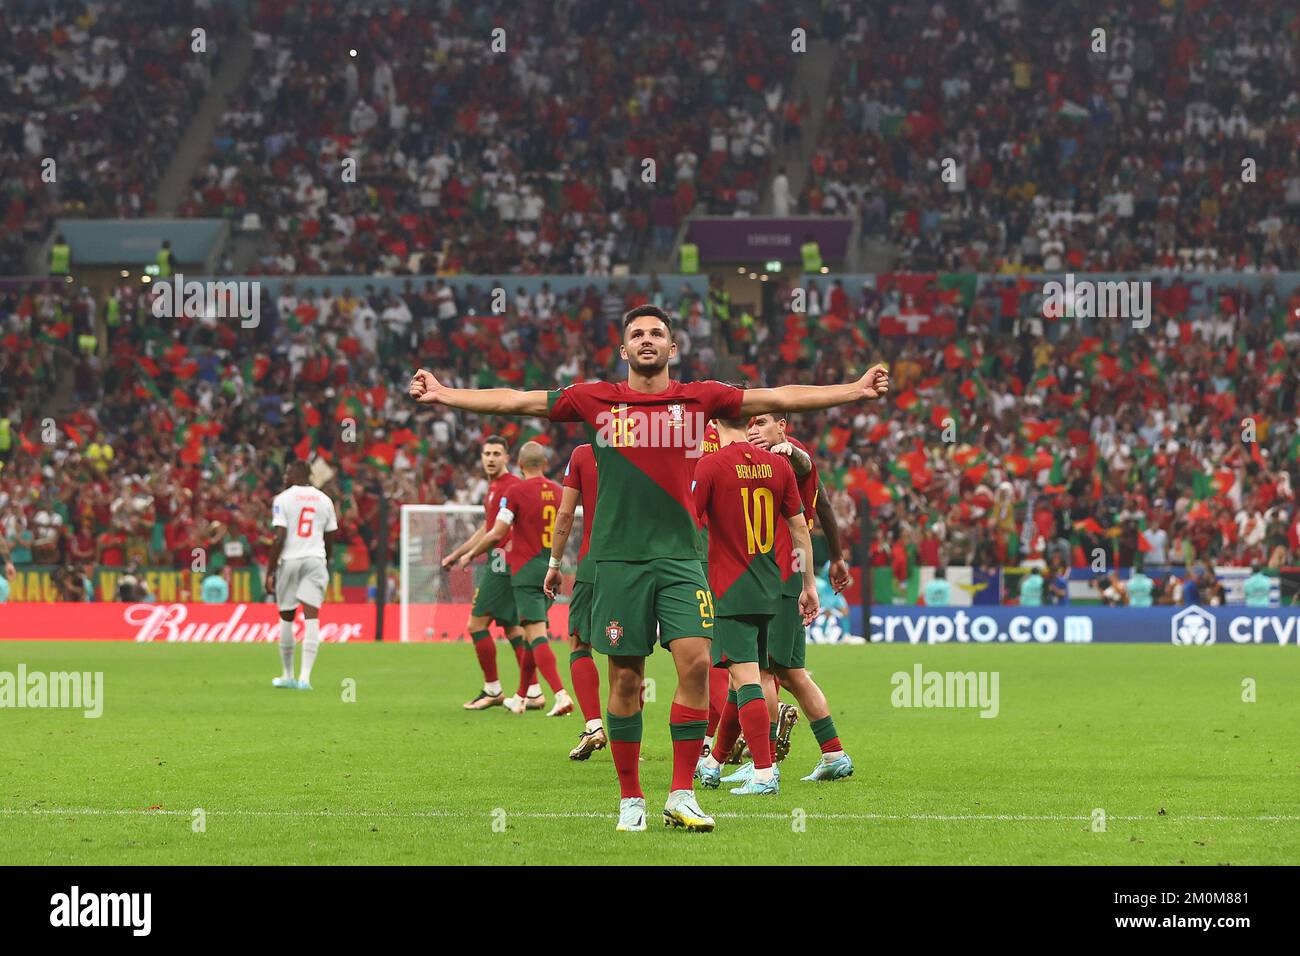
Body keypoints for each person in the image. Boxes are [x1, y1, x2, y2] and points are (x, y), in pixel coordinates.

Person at [409, 304, 889, 833]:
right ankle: (631, 798)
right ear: (624, 350)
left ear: (672, 347)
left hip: (683, 560)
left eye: (657, 333)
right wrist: (444, 394)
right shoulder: (595, 399)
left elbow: (778, 397)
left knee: (698, 665)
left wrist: (855, 389)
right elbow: (517, 402)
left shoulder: (699, 397)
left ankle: (681, 793)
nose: (646, 340)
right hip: (617, 563)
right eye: (636, 334)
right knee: (627, 680)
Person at [691, 414, 817, 796]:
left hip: (730, 586)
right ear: (748, 423)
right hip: (770, 585)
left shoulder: (710, 464)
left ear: (715, 422)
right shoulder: (778, 466)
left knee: (746, 679)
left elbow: (687, 520)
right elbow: (799, 529)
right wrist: (808, 584)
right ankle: (713, 763)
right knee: (743, 674)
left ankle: (764, 772)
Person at [742, 411, 855, 781]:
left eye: (761, 422)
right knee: (789, 672)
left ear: (782, 426)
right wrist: (836, 557)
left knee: (763, 670)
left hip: (778, 572)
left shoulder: (789, 456)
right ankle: (833, 754)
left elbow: (804, 464)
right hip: (778, 571)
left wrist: (789, 451)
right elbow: (821, 505)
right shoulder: (759, 461)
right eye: (749, 424)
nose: (754, 429)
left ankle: (766, 763)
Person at [465, 441, 573, 717]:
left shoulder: (515, 491)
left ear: (520, 465)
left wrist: (470, 555)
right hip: (552, 568)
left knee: (535, 634)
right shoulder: (561, 492)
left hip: (525, 571)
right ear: (545, 465)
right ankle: (523, 696)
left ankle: (560, 694)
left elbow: (496, 532)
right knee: (526, 636)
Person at [441, 436, 537, 712]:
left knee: (476, 624)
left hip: (503, 565)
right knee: (512, 628)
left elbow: (499, 532)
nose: (491, 458)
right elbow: (488, 528)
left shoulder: (511, 486)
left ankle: (493, 689)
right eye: (486, 453)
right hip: (505, 563)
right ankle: (532, 691)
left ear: (508, 458)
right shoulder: (494, 488)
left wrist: (470, 555)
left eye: (497, 453)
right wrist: (457, 553)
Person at [543, 443, 607, 759]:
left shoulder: (583, 454)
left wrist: (554, 565)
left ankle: (594, 725)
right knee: (632, 653)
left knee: (580, 643)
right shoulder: (648, 446)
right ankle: (630, 741)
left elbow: (566, 512)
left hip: (595, 564)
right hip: (640, 566)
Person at [264, 460, 339, 690]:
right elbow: (330, 537)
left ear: (297, 474)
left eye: (287, 472)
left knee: (286, 616)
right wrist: (324, 559)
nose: (285, 476)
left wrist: (270, 570)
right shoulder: (325, 500)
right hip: (315, 559)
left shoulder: (283, 499)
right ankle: (305, 678)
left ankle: (288, 675)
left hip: (290, 560)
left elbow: (280, 537)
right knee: (312, 616)